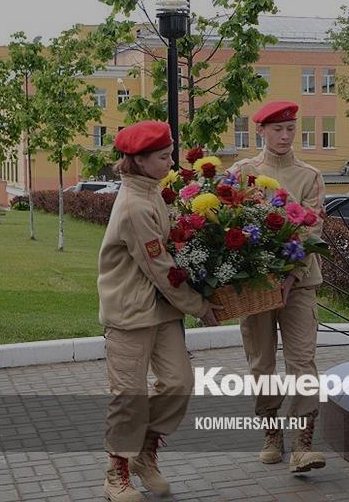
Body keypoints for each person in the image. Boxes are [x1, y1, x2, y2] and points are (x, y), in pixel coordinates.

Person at [97, 120, 220, 502]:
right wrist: (201, 307)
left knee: (179, 383)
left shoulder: (151, 192)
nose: (170, 162)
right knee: (129, 396)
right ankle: (116, 473)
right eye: (164, 156)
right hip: (130, 313)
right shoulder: (134, 206)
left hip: (163, 311)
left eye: (170, 154)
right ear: (138, 160)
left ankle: (144, 453)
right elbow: (161, 269)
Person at [229, 100, 328, 474]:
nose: (285, 136)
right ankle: (272, 433)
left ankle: (303, 444)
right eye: (277, 130)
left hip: (299, 284)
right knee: (261, 362)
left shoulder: (310, 176)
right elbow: (228, 224)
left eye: (290, 129)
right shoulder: (242, 173)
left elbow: (310, 231)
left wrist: (289, 278)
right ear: (261, 131)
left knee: (302, 360)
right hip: (256, 287)